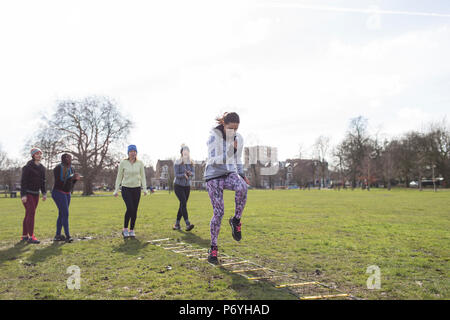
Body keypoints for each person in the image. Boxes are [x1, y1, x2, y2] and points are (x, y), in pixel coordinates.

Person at [204, 112, 250, 264]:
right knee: (219, 212)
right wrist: (231, 151)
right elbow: (213, 160)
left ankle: (236, 221)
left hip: (229, 173)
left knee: (243, 187)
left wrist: (242, 174)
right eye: (230, 128)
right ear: (224, 124)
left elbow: (237, 159)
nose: (233, 132)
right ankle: (213, 248)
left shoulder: (238, 138)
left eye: (236, 129)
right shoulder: (213, 137)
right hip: (213, 175)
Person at [114, 145, 148, 238]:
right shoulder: (123, 163)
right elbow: (119, 177)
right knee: (130, 208)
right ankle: (125, 229)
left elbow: (143, 177)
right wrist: (116, 190)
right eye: (131, 151)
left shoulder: (140, 163)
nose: (133, 153)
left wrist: (144, 189)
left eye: (134, 151)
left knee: (135, 210)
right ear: (128, 153)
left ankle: (132, 230)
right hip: (126, 188)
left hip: (136, 189)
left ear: (136, 152)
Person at [20, 148, 47, 244]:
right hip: (27, 193)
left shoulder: (42, 168)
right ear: (33, 155)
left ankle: (24, 236)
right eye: (37, 154)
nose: (39, 155)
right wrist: (23, 195)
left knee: (28, 214)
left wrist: (44, 193)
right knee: (31, 213)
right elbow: (23, 182)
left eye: (40, 153)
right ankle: (31, 236)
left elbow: (43, 182)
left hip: (36, 194)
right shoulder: (27, 167)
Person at [52, 153, 80, 243]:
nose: (69, 159)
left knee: (62, 214)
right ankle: (68, 236)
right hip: (58, 192)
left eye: (70, 158)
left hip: (67, 193)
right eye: (67, 158)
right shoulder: (58, 168)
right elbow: (60, 182)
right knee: (65, 214)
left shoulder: (72, 168)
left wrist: (75, 179)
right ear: (63, 159)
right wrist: (71, 178)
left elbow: (71, 184)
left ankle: (57, 235)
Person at [173, 144, 195, 231]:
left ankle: (177, 224)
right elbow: (176, 175)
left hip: (187, 186)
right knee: (183, 203)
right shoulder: (177, 162)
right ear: (181, 152)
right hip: (178, 186)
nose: (186, 152)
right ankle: (187, 224)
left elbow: (193, 174)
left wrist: (190, 174)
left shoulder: (191, 162)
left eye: (187, 151)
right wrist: (184, 175)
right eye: (184, 151)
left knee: (182, 204)